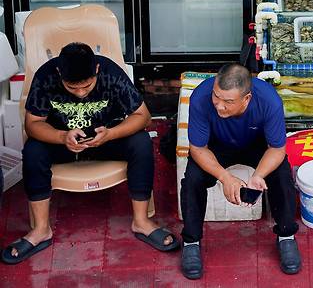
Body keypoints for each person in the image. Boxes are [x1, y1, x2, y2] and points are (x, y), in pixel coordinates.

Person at [1, 43, 180, 264]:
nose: (81, 93)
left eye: (86, 86)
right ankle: (40, 230)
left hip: (105, 139)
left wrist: (111, 134)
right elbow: (33, 124)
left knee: (141, 142)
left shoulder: (110, 72)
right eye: (72, 87)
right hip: (63, 142)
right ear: (60, 73)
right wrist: (61, 136)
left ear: (96, 70)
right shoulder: (46, 75)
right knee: (33, 150)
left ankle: (141, 221)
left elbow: (143, 116)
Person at [180, 63, 300, 280]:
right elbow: (198, 148)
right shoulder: (200, 97)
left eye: (228, 102)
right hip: (216, 145)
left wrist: (258, 175)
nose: (219, 106)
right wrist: (225, 177)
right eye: (217, 97)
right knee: (192, 180)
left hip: (257, 144)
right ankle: (191, 241)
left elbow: (277, 148)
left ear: (246, 98)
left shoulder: (269, 100)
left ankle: (286, 236)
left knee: (282, 176)